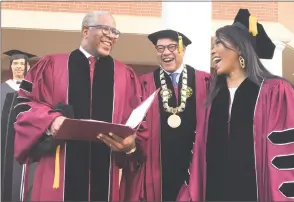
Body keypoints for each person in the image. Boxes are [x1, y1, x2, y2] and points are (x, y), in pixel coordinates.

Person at [13, 11, 147, 201]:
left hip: (106, 176)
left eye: (115, 32)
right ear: (85, 31)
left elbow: (140, 123)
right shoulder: (51, 66)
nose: (112, 36)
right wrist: (51, 120)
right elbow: (23, 105)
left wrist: (131, 144)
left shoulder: (125, 76)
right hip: (59, 176)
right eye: (106, 29)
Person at [203, 9, 294, 201]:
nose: (212, 50)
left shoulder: (276, 92)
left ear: (240, 48)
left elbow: (292, 155)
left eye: (218, 42)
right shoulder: (214, 96)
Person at [137, 29, 211, 201]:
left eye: (172, 47)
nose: (166, 52)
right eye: (160, 48)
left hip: (194, 160)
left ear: (183, 50)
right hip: (158, 163)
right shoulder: (144, 83)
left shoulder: (204, 81)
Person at [1, 50, 37, 201]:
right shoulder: (2, 89)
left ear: (27, 66)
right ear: (11, 66)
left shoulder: (34, 90)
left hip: (25, 144)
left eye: (22, 64)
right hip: (3, 144)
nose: (18, 67)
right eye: (15, 63)